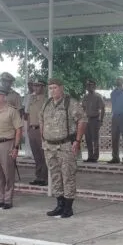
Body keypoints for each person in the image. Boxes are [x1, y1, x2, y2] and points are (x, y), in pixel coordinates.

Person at [41, 77, 87, 218]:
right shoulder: (47, 104)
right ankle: (59, 205)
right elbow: (41, 120)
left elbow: (82, 120)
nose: (52, 90)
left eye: (55, 87)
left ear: (61, 88)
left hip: (65, 146)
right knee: (55, 176)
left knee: (68, 176)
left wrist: (77, 140)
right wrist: (43, 138)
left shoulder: (70, 103)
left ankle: (68, 207)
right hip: (49, 146)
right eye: (50, 88)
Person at [0, 85, 23, 209]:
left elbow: (18, 129)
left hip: (7, 143)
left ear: (4, 97)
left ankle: (8, 200)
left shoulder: (12, 111)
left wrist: (16, 147)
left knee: (8, 174)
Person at [25, 78, 48, 186]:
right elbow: (28, 114)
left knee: (44, 155)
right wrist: (28, 129)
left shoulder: (47, 100)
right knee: (36, 155)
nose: (36, 87)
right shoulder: (31, 98)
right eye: (34, 85)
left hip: (42, 130)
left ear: (43, 87)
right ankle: (38, 176)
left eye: (38, 85)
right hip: (32, 129)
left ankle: (45, 178)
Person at [81, 79, 105, 162]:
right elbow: (83, 108)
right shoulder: (85, 97)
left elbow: (103, 109)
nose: (88, 87)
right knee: (88, 139)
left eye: (90, 85)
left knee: (95, 139)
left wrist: (101, 120)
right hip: (87, 120)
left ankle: (95, 157)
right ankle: (90, 156)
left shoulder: (98, 96)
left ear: (94, 86)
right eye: (87, 85)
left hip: (95, 119)